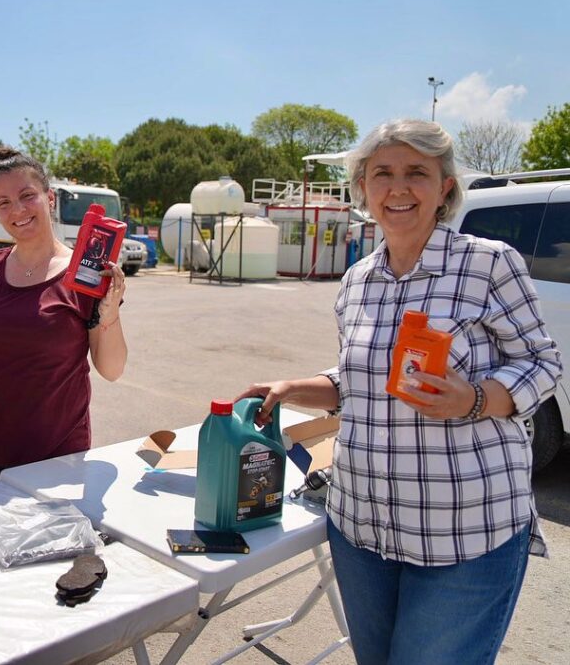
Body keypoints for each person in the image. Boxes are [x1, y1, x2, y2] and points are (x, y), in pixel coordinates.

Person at [235, 119, 561, 664]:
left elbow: (542, 363)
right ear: (363, 188)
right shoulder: (357, 281)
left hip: (465, 534)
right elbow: (359, 383)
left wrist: (474, 399)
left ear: (445, 188)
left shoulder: (487, 264)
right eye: (382, 173)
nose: (398, 187)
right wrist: (292, 388)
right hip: (362, 530)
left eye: (417, 173)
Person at [0, 146, 128, 483]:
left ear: (50, 198)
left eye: (27, 196)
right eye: (3, 202)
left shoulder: (86, 276)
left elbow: (112, 369)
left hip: (58, 454)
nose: (17, 210)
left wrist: (109, 315)